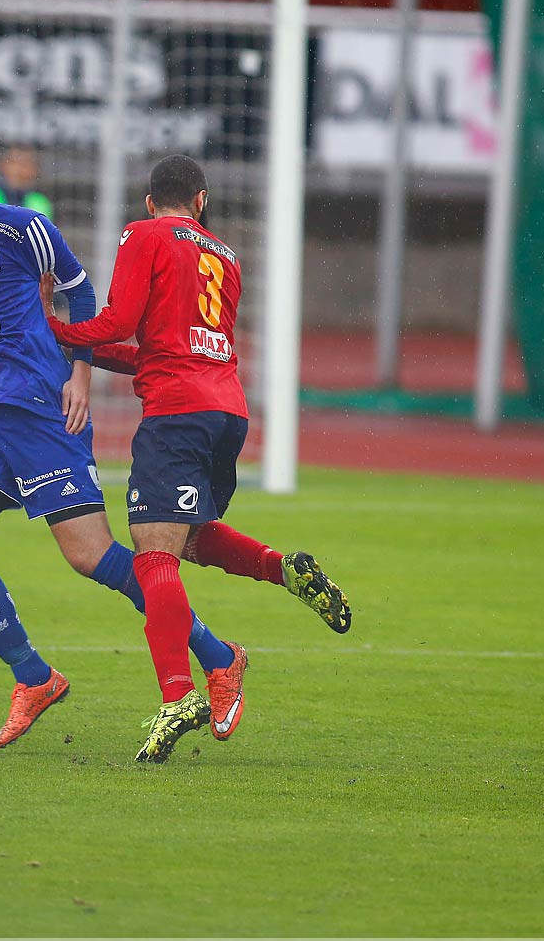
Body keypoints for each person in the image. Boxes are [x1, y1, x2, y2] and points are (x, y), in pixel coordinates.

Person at [0, 108, 248, 750]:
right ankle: (34, 678)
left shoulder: (24, 227)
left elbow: (81, 296)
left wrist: (81, 380)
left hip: (41, 409)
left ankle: (219, 655)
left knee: (92, 558)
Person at [43, 154, 353, 763]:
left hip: (177, 415)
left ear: (150, 202)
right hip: (227, 413)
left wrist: (52, 328)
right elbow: (168, 352)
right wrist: (93, 356)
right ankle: (279, 569)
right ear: (202, 201)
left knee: (154, 555)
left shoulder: (144, 234)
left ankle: (177, 695)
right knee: (189, 536)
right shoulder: (226, 257)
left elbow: (118, 322)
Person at [0, 142, 53, 218]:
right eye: (14, 163)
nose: (19, 170)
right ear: (3, 165)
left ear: (34, 170)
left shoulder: (39, 202)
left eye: (26, 164)